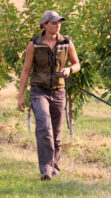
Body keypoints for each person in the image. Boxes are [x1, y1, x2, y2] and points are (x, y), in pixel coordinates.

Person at [17, 10, 80, 180]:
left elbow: (77, 64)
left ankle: (54, 167)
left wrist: (69, 69)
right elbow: (25, 71)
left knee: (57, 132)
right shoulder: (34, 44)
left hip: (59, 91)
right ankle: (45, 168)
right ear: (44, 25)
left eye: (59, 22)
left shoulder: (66, 42)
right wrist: (21, 96)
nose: (57, 24)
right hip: (39, 90)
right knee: (44, 127)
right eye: (53, 22)